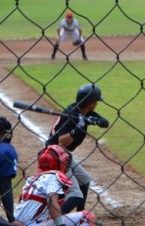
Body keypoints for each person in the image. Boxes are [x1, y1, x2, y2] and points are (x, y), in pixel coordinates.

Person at [46, 84, 109, 214]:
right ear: (91, 103)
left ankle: (80, 216)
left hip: (63, 155)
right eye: (96, 101)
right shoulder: (70, 115)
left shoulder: (84, 112)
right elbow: (61, 141)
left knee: (84, 180)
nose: (97, 104)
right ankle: (54, 220)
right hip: (55, 155)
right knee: (76, 194)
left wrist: (94, 120)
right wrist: (78, 128)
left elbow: (105, 123)